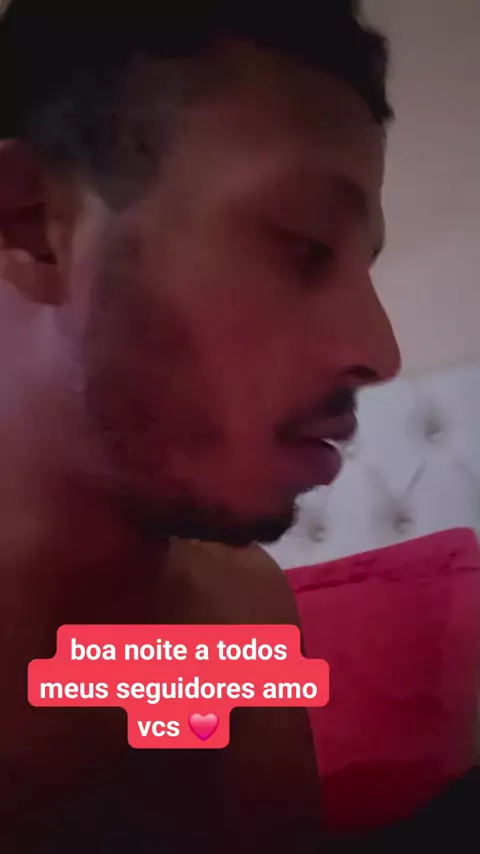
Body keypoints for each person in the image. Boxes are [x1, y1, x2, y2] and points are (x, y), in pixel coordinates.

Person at [0, 2, 477, 851]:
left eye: (363, 266)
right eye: (302, 246)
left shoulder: (245, 611)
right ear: (32, 222)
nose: (379, 351)